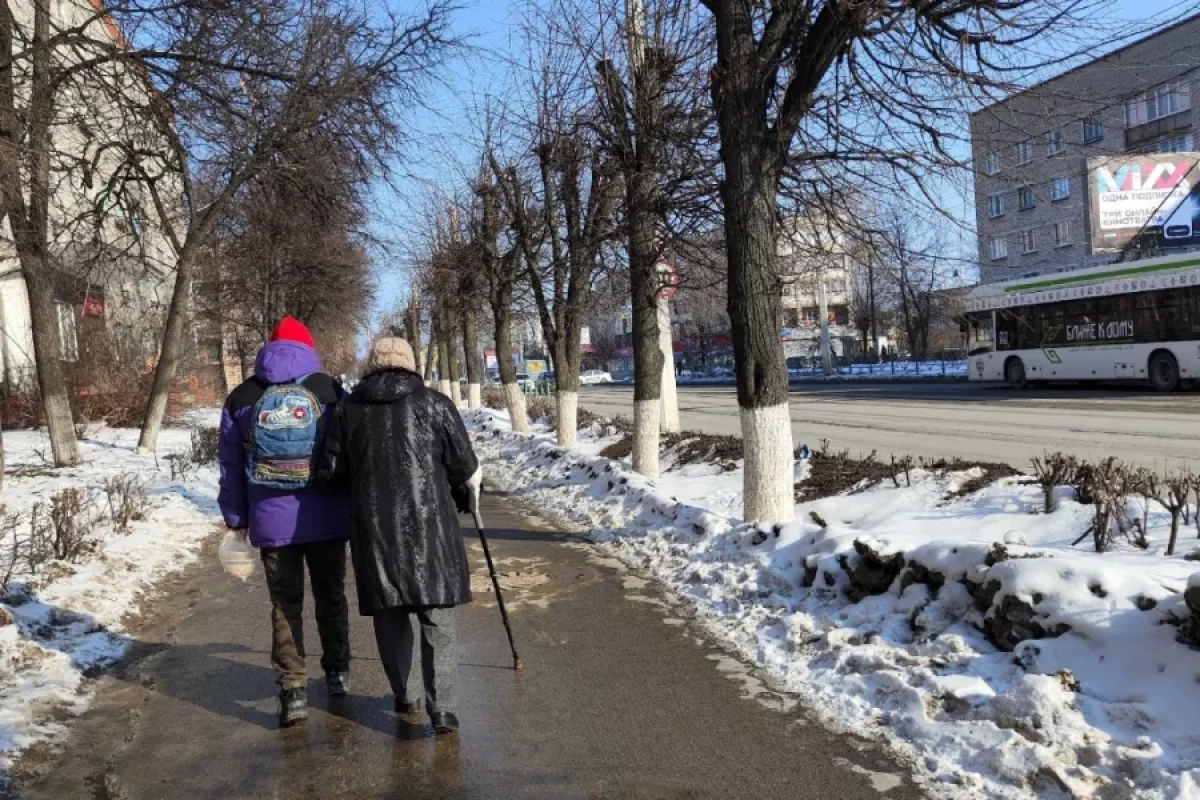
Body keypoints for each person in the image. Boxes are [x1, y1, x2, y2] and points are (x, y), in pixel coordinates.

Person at [320, 337, 479, 735]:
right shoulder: (436, 404)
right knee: (437, 619)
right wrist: (463, 496)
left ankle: (406, 695)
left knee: (390, 617)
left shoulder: (347, 410)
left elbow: (331, 472)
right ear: (410, 364)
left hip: (375, 534)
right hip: (433, 532)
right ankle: (442, 708)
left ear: (372, 366)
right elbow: (464, 465)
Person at [218, 316, 352, 728]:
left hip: (272, 522)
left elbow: (230, 465)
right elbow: (347, 453)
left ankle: (293, 690)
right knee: (331, 595)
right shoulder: (329, 390)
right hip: (328, 516)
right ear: (309, 348)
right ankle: (337, 673)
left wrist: (236, 519)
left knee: (284, 603)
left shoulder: (242, 396)